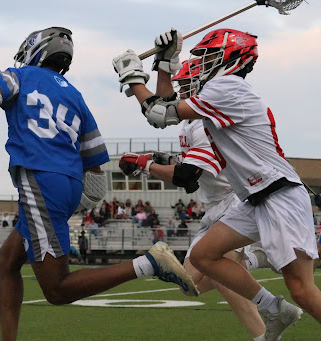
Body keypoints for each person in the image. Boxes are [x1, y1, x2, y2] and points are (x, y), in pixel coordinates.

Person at [0, 26, 198, 340]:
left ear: (35, 49)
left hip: (40, 180)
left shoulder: (18, 75)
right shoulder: (74, 95)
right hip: (67, 184)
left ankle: (149, 263)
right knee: (6, 262)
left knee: (56, 289)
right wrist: (71, 201)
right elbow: (96, 164)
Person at [114, 27, 320, 339]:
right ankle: (274, 308)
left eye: (208, 57)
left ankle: (263, 267)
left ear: (232, 59)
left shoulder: (227, 87)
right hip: (257, 198)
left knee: (302, 290)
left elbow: (160, 112)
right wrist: (166, 64)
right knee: (203, 256)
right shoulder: (220, 93)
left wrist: (133, 79)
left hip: (278, 196)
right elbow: (169, 103)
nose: (201, 64)